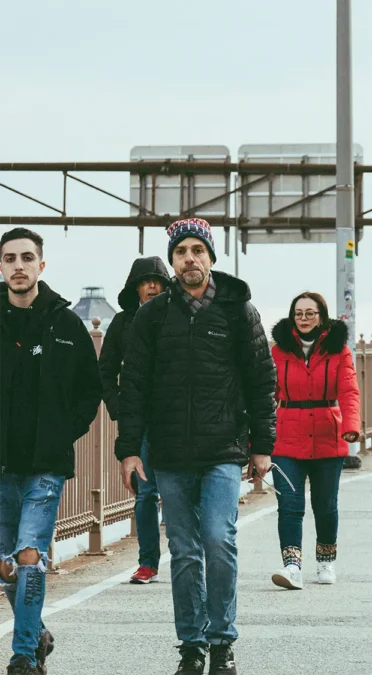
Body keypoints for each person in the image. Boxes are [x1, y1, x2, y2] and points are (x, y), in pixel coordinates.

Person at [115, 217, 276, 675]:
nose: (190, 258)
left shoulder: (236, 310)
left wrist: (262, 445)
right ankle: (191, 644)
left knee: (218, 540)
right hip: (169, 453)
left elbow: (262, 379)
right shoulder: (152, 316)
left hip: (224, 449)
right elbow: (135, 388)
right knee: (184, 550)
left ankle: (222, 639)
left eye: (198, 250)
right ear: (172, 262)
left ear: (211, 258)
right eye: (182, 251)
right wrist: (129, 450)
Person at [0, 228, 102, 675]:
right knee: (6, 564)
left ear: (42, 265)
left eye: (26, 258)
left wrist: (62, 435)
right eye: (9, 259)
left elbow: (89, 390)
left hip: (44, 464)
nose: (18, 266)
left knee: (29, 555)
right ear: (1, 267)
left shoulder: (65, 323)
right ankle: (37, 632)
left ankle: (22, 655)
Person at [269, 291, 361, 590]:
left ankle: (326, 561)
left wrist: (351, 426)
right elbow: (265, 392)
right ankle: (292, 566)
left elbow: (348, 391)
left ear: (321, 316)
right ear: (292, 317)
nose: (305, 319)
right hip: (287, 435)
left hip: (327, 434)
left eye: (310, 313)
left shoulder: (339, 351)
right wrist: (256, 436)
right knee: (289, 505)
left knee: (325, 504)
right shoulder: (278, 351)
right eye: (299, 313)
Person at [98, 256, 171, 585]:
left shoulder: (179, 318)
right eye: (146, 281)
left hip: (177, 417)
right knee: (145, 493)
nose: (153, 286)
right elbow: (104, 371)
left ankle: (186, 553)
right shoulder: (123, 323)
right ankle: (148, 563)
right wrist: (119, 405)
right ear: (136, 288)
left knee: (179, 490)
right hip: (139, 419)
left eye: (158, 280)